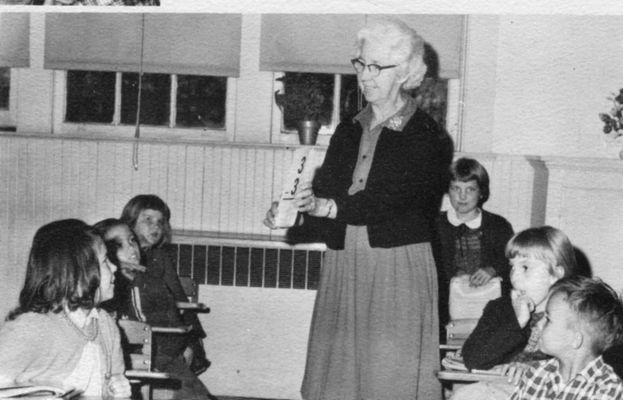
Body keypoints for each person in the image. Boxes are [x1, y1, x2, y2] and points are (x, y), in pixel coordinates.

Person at [265, 18, 453, 400]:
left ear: (403, 73)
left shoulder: (427, 136)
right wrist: (294, 211)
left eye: (375, 67)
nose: (364, 77)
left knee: (387, 380)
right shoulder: (350, 129)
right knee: (339, 381)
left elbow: (393, 200)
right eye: (360, 64)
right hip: (345, 262)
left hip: (396, 268)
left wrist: (327, 206)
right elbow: (326, 193)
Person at [0, 219, 131, 398]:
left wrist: (119, 393)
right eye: (105, 261)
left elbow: (112, 383)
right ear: (76, 274)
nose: (115, 267)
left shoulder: (106, 324)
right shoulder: (32, 326)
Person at [451, 226, 578, 399]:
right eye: (512, 267)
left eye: (525, 267)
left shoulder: (576, 312)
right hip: (502, 387)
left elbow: (583, 360)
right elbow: (472, 358)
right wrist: (517, 322)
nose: (515, 277)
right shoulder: (500, 308)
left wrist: (534, 368)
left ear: (556, 273)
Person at [93, 218, 213, 400]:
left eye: (132, 240)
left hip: (160, 358)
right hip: (115, 368)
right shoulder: (101, 290)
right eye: (118, 245)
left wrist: (173, 353)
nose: (131, 248)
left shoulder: (152, 282)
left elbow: (173, 326)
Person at [119, 195, 210, 376]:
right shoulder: (119, 258)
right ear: (130, 222)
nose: (156, 226)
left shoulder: (159, 257)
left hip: (163, 333)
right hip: (135, 336)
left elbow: (179, 297)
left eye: (161, 221)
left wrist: (191, 340)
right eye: (148, 220)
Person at [510, 276, 623, 399]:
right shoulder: (536, 373)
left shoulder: (608, 388)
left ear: (576, 340)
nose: (538, 323)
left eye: (548, 319)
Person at [434, 157, 514, 330]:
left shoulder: (498, 225)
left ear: (481, 192)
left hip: (487, 305)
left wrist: (493, 269)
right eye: (456, 188)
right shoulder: (436, 224)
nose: (462, 196)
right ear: (448, 190)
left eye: (470, 189)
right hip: (445, 309)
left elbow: (512, 260)